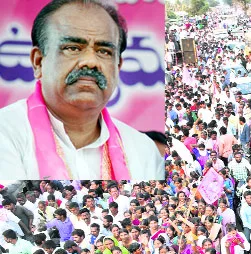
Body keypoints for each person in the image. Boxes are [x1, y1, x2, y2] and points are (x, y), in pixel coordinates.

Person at [0, 0, 164, 179]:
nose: (91, 62)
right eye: (73, 48)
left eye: (104, 51)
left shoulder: (144, 151)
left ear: (118, 66)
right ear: (38, 61)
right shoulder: (7, 133)